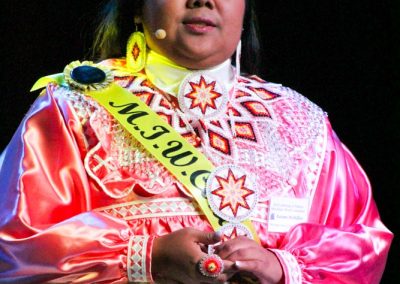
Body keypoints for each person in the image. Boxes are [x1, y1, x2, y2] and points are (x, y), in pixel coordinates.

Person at [0, 0, 393, 283]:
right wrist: (147, 258)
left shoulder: (300, 119)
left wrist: (282, 267)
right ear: (137, 8)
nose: (203, 1)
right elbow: (17, 248)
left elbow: (362, 246)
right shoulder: (75, 106)